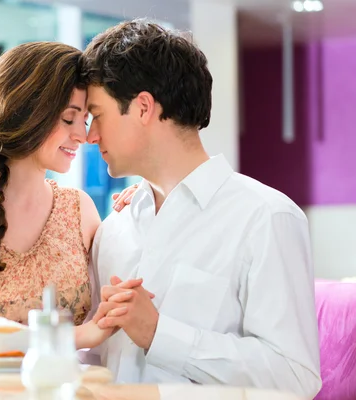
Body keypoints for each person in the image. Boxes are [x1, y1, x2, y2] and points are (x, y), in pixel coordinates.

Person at [81, 19, 322, 397]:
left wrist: (161, 335)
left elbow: (295, 378)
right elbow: (96, 362)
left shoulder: (266, 217)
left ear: (143, 107)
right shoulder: (113, 230)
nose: (90, 136)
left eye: (97, 115)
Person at [0, 41, 142, 355]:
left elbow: (121, 295)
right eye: (69, 119)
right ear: (26, 113)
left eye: (86, 120)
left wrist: (142, 208)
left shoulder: (79, 209)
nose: (82, 135)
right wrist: (84, 335)